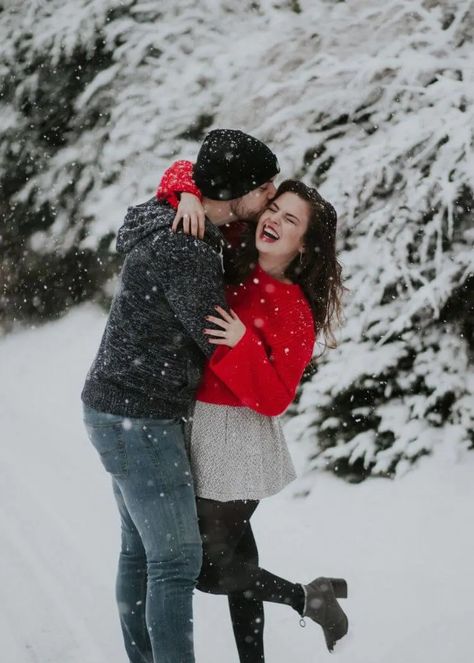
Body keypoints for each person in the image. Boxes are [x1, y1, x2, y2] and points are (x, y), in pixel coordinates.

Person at [81, 129, 280, 663]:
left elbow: (181, 171)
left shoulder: (176, 213)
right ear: (237, 191)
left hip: (116, 405)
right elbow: (215, 340)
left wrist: (185, 188)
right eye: (265, 187)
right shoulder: (187, 248)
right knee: (175, 560)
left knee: (141, 552)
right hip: (138, 417)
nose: (272, 195)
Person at [157, 169, 348, 661]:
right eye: (273, 209)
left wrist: (242, 345)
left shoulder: (294, 309)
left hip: (236, 439)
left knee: (208, 570)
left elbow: (275, 398)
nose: (274, 221)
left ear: (304, 246)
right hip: (198, 423)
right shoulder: (233, 248)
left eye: (290, 221)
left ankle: (309, 598)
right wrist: (186, 196)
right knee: (240, 563)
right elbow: (187, 170)